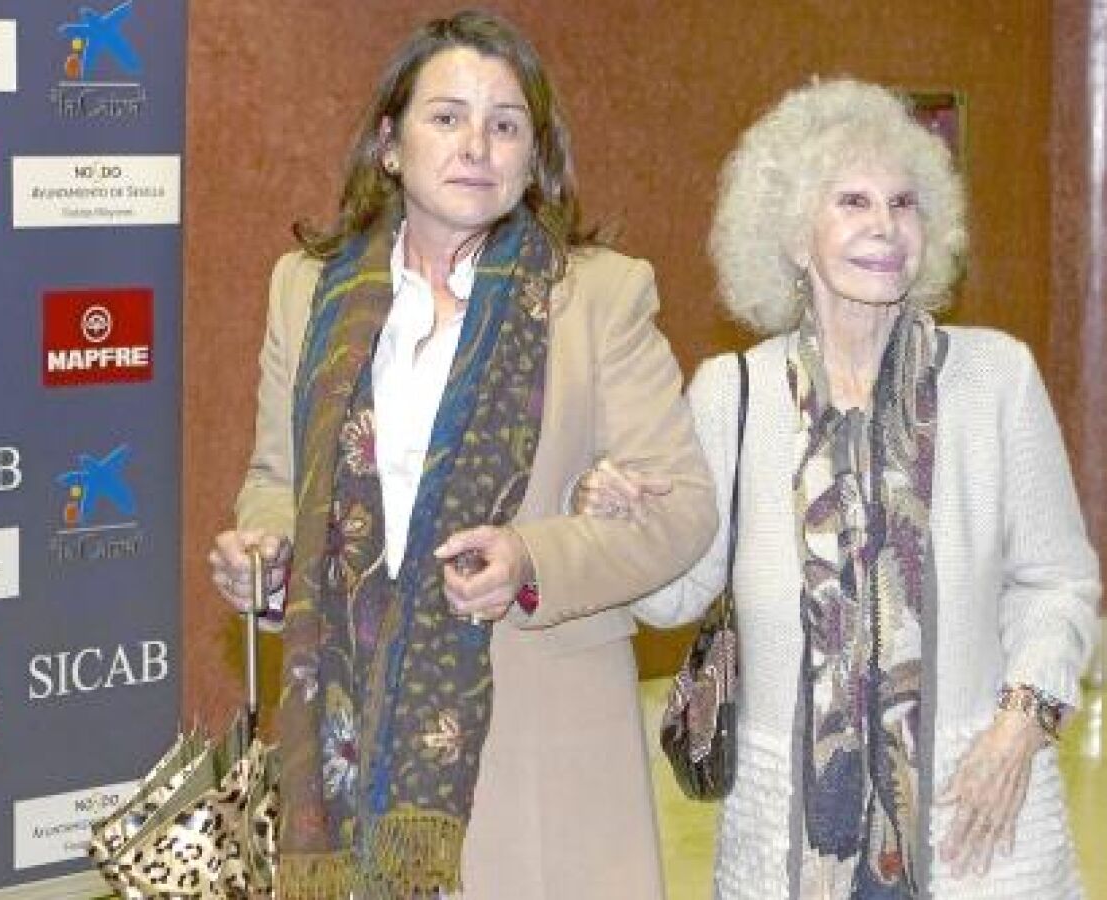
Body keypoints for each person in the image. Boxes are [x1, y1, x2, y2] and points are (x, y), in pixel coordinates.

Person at [206, 10, 716, 898]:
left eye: (505, 124)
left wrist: (532, 559)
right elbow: (277, 480)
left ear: (534, 157)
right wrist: (267, 550)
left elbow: (682, 511)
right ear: (390, 144)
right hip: (346, 741)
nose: (476, 145)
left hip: (538, 740)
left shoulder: (598, 296)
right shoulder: (306, 290)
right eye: (446, 117)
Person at [585, 79, 1100, 897]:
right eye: (852, 201)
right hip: (786, 834)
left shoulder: (996, 378)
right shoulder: (732, 392)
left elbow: (1059, 581)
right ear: (794, 237)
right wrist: (624, 522)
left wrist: (1019, 725)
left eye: (904, 203)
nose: (885, 226)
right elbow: (677, 595)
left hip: (977, 818)